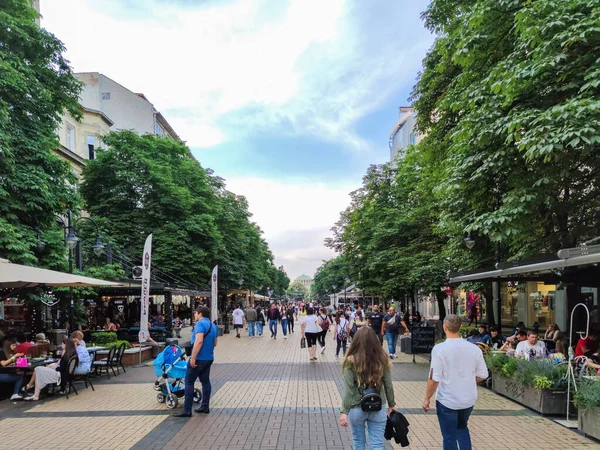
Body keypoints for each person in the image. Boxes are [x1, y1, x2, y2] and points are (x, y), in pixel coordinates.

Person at [423, 314, 488, 450]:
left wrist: (427, 398)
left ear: (444, 327)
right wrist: (468, 380)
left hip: (447, 399)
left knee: (449, 436)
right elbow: (483, 374)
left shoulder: (439, 349)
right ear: (460, 327)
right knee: (462, 428)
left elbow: (434, 378)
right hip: (468, 399)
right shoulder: (474, 349)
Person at [339, 327, 397, 450]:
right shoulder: (382, 359)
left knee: (358, 442)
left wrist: (344, 411)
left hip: (356, 406)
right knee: (377, 445)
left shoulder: (350, 361)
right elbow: (388, 384)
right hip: (378, 405)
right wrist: (392, 404)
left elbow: (348, 390)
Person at [174, 306, 218, 417]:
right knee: (205, 382)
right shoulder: (213, 325)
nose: (194, 316)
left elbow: (198, 341)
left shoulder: (200, 324)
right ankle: (205, 406)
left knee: (189, 382)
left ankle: (187, 410)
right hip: (209, 358)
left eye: (195, 313)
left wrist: (193, 357)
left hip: (199, 358)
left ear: (199, 314)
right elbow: (215, 342)